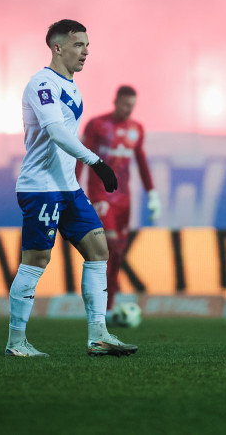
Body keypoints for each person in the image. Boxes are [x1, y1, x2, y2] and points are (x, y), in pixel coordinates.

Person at [6, 19, 137, 358]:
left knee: (99, 252)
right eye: (80, 45)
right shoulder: (42, 84)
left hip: (67, 189)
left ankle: (99, 336)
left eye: (87, 45)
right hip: (41, 187)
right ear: (58, 47)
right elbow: (56, 133)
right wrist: (97, 162)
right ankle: (16, 342)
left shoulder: (72, 87)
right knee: (37, 259)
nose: (87, 51)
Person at [79, 85, 161, 323]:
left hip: (125, 199)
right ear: (115, 101)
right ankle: (100, 306)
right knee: (110, 246)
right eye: (125, 105)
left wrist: (152, 193)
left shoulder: (137, 129)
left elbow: (141, 161)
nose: (128, 110)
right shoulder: (97, 125)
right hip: (101, 194)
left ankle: (108, 307)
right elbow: (80, 156)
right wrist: (72, 188)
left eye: (132, 106)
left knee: (119, 252)